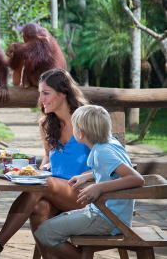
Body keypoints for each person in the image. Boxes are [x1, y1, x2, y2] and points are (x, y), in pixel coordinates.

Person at [0, 69, 90, 259]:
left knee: (42, 183)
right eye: (40, 93)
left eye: (46, 93)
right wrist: (43, 167)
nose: (41, 99)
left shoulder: (85, 120)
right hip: (56, 193)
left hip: (84, 194)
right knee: (39, 208)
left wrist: (87, 176)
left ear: (62, 93)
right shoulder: (47, 124)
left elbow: (108, 158)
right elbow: (48, 157)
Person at [34, 105, 144, 259]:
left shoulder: (102, 152)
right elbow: (114, 169)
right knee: (54, 225)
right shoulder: (108, 144)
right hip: (110, 214)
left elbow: (136, 178)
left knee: (45, 233)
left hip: (108, 219)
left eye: (74, 126)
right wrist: (87, 176)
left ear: (81, 133)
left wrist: (99, 187)